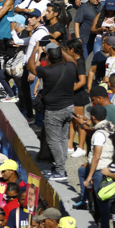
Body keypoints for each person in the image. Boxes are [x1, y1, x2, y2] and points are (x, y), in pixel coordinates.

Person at [28, 42, 75, 182]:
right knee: (62, 138)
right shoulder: (71, 67)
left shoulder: (46, 71)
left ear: (48, 57)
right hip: (69, 108)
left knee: (53, 140)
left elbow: (31, 67)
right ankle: (60, 166)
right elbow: (72, 59)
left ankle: (60, 171)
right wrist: (59, 47)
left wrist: (35, 50)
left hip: (54, 111)